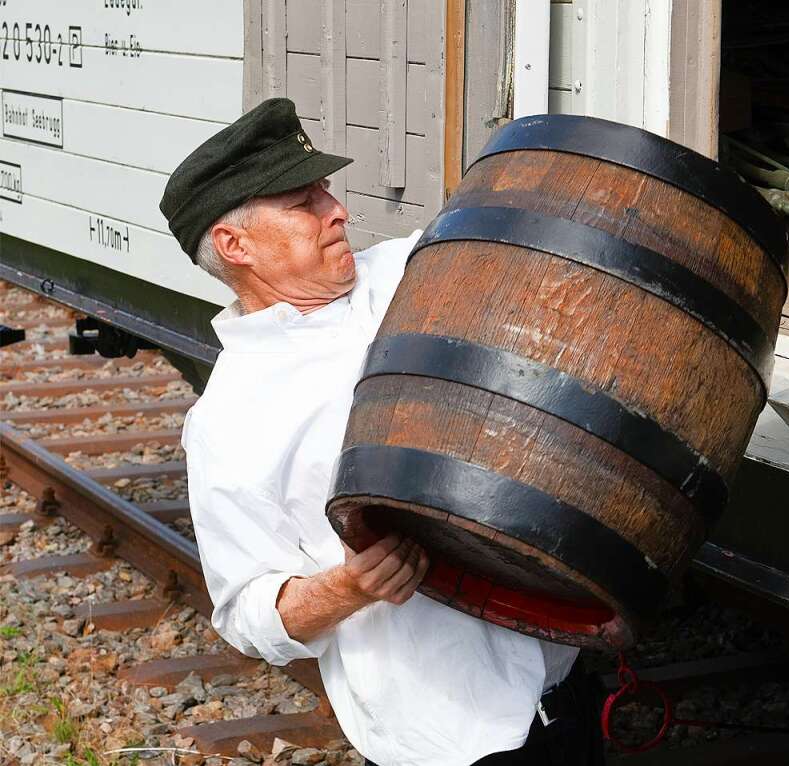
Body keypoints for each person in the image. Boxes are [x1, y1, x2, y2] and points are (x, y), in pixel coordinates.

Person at [159, 98, 605, 766]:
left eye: (325, 191)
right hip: (445, 739)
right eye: (302, 202)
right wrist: (344, 589)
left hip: (564, 682)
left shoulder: (408, 270)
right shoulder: (229, 422)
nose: (335, 209)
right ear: (236, 245)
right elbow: (247, 613)